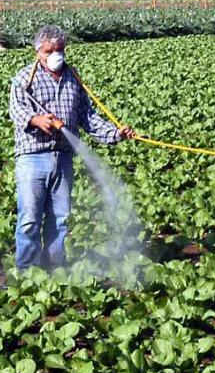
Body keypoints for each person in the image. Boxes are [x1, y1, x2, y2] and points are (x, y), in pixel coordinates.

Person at [8, 25, 136, 270]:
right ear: (38, 52)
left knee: (60, 218)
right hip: (33, 156)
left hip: (64, 156)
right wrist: (37, 120)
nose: (56, 55)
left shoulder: (73, 77)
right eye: (49, 51)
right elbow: (17, 110)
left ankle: (55, 267)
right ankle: (25, 272)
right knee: (29, 219)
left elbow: (87, 117)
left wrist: (116, 133)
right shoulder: (25, 78)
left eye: (60, 50)